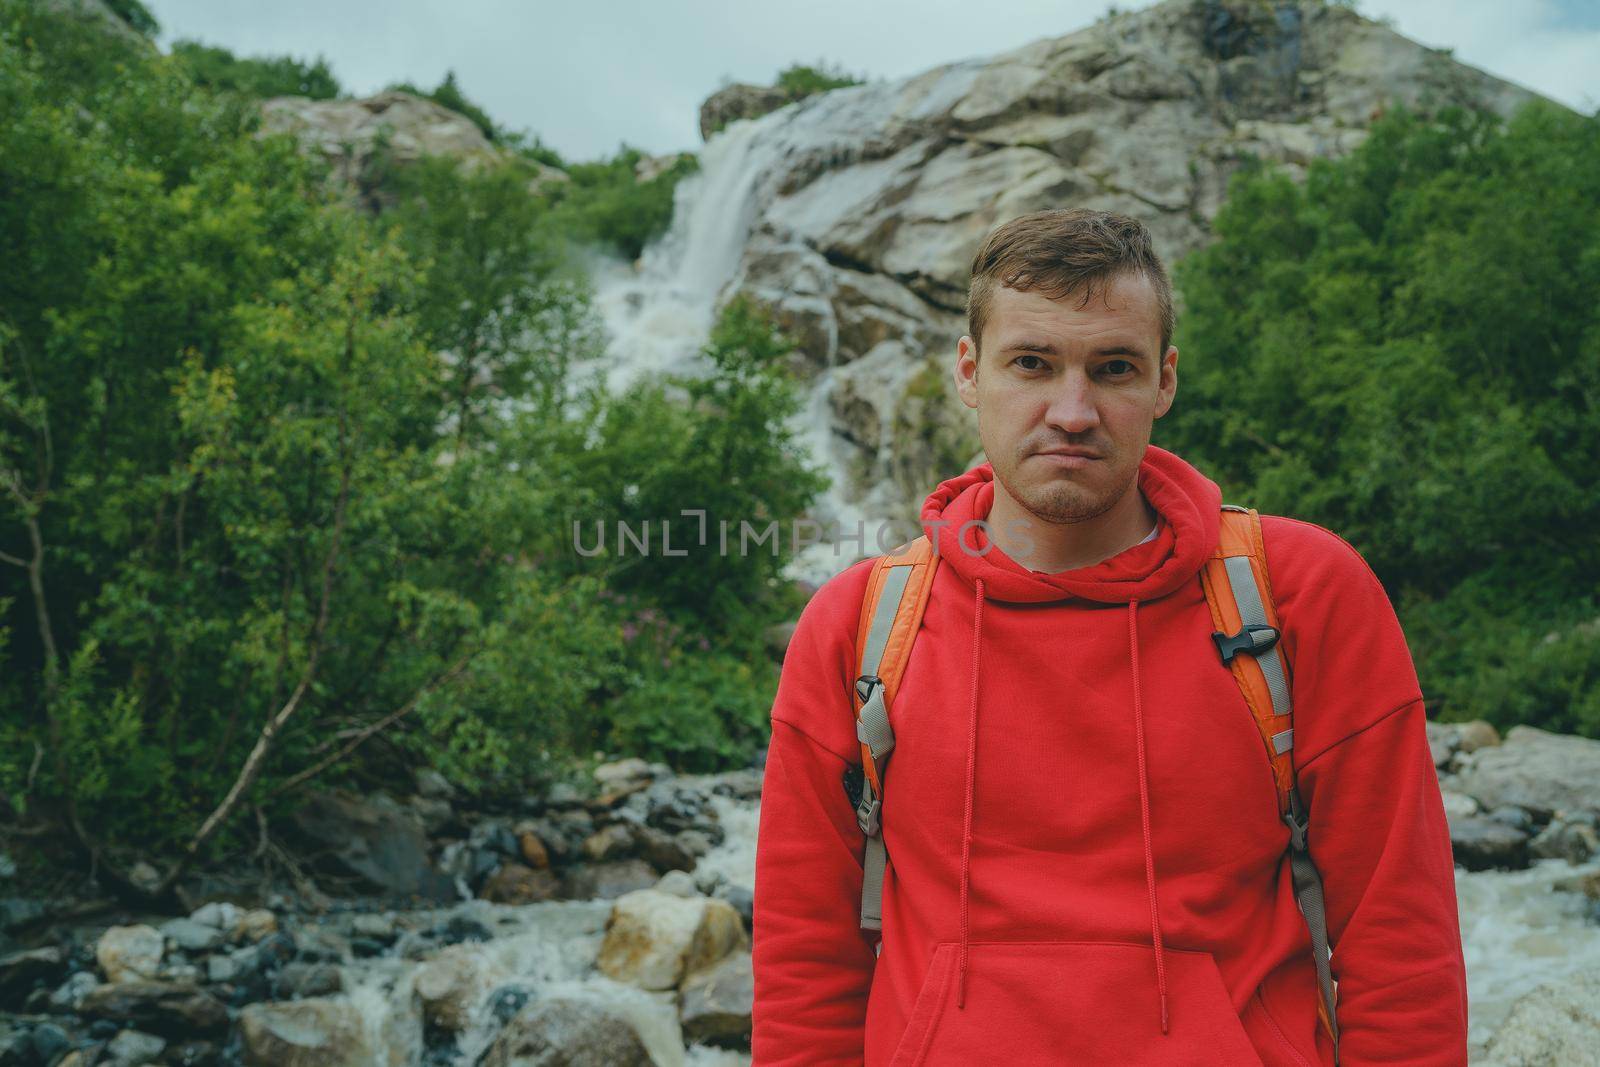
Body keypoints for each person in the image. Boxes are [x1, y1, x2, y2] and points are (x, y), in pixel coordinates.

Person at [749, 208, 1468, 1065]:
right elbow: (805, 969)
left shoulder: (1302, 595)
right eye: (1032, 364)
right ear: (970, 373)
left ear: (1164, 382)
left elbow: (1401, 943)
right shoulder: (859, 626)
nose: (1074, 410)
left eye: (1113, 367)